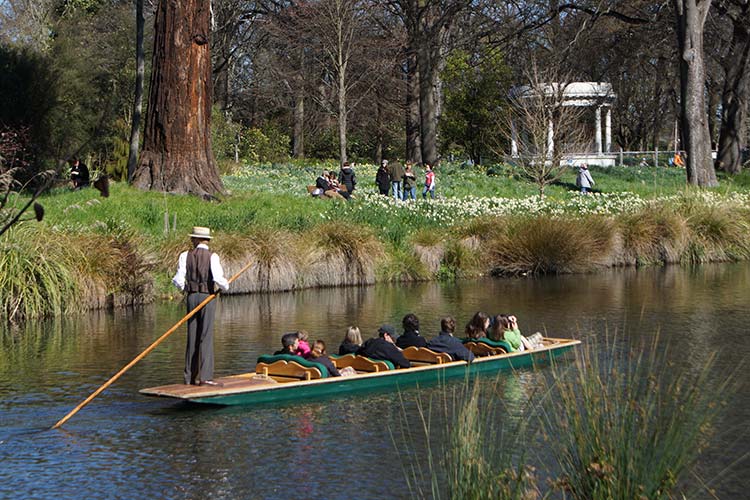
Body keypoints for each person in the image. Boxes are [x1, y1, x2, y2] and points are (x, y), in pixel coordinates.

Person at [172, 226, 230, 386]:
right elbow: (219, 278)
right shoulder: (213, 256)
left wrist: (186, 289)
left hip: (191, 297)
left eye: (192, 238)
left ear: (196, 240)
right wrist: (226, 287)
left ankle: (189, 377)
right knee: (206, 336)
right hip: (207, 298)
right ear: (207, 240)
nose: (191, 240)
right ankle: (205, 377)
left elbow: (177, 279)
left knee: (192, 336)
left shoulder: (185, 256)